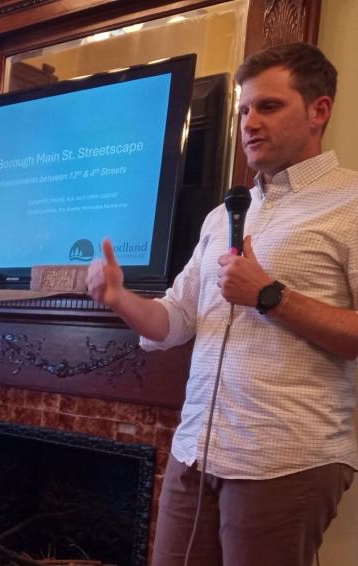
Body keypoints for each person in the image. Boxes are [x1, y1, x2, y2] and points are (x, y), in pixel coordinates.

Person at [86, 43, 356, 566]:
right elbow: (176, 320)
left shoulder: (351, 203)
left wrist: (270, 296)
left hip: (284, 458)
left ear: (319, 110)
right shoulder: (223, 215)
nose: (249, 123)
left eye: (269, 107)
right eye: (244, 110)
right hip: (197, 451)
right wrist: (120, 298)